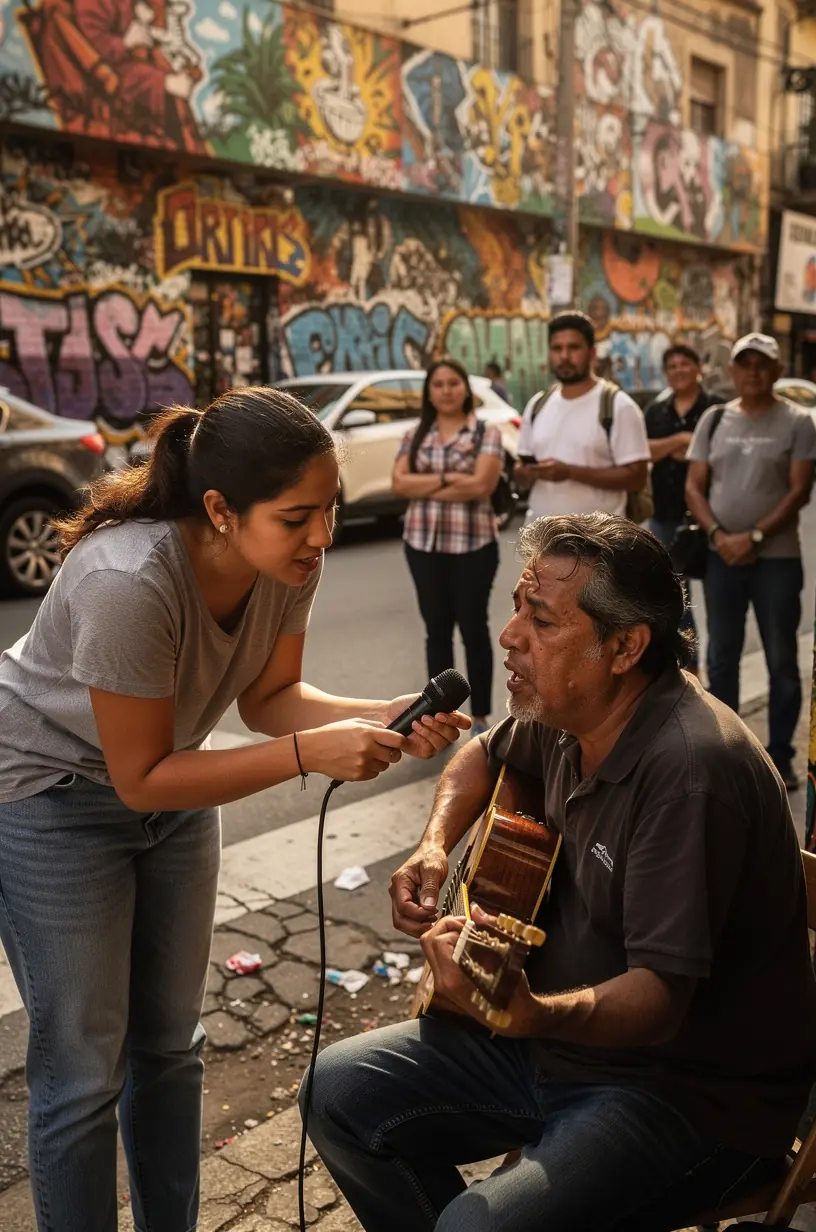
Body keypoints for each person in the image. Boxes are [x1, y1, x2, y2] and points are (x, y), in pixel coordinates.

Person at [0, 387, 468, 1232]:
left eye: (328, 511)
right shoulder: (128, 580)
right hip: (52, 797)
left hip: (175, 783)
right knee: (81, 1072)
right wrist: (308, 755)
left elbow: (272, 697)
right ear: (220, 509)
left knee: (171, 1050)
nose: (321, 537)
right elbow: (141, 775)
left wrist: (380, 712)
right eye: (298, 518)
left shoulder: (288, 562)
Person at [301, 512, 816, 1232]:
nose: (509, 636)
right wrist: (436, 845)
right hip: (553, 1048)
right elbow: (485, 753)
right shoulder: (569, 704)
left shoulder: (692, 770)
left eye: (540, 620)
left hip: (683, 1094)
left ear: (625, 645)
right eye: (516, 608)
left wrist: (529, 1012)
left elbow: (659, 998)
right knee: (334, 1092)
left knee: (475, 1226)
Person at [686, 332, 816, 791]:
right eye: (746, 363)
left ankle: (779, 756)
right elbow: (694, 486)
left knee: (781, 657)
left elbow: (799, 490)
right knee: (722, 657)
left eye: (763, 364)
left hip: (776, 559)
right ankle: (727, 755)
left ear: (777, 371)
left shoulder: (798, 421)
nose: (754, 371)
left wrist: (755, 536)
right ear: (734, 371)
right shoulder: (716, 418)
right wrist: (720, 535)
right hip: (722, 556)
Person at [392, 356, 504, 738]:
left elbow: (481, 485)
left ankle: (483, 718)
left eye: (453, 383)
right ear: (429, 392)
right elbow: (400, 484)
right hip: (422, 543)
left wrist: (426, 481)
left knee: (474, 628)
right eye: (438, 384)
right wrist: (452, 477)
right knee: (436, 630)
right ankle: (437, 718)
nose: (446, 391)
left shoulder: (486, 432)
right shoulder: (414, 434)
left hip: (474, 544)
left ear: (466, 389)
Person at [514, 312, 650, 523]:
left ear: (592, 352)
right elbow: (521, 474)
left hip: (599, 542)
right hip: (541, 541)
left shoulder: (618, 406)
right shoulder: (537, 405)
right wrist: (524, 473)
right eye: (557, 348)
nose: (564, 356)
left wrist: (570, 472)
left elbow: (637, 479)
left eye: (573, 347)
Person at [645, 342, 719, 673]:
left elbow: (718, 455)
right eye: (672, 366)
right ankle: (689, 672)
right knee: (676, 602)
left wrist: (679, 449)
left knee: (720, 602)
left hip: (711, 517)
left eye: (684, 364)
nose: (679, 370)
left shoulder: (717, 409)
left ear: (697, 367)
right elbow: (644, 450)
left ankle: (718, 669)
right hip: (664, 517)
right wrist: (681, 442)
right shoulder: (656, 410)